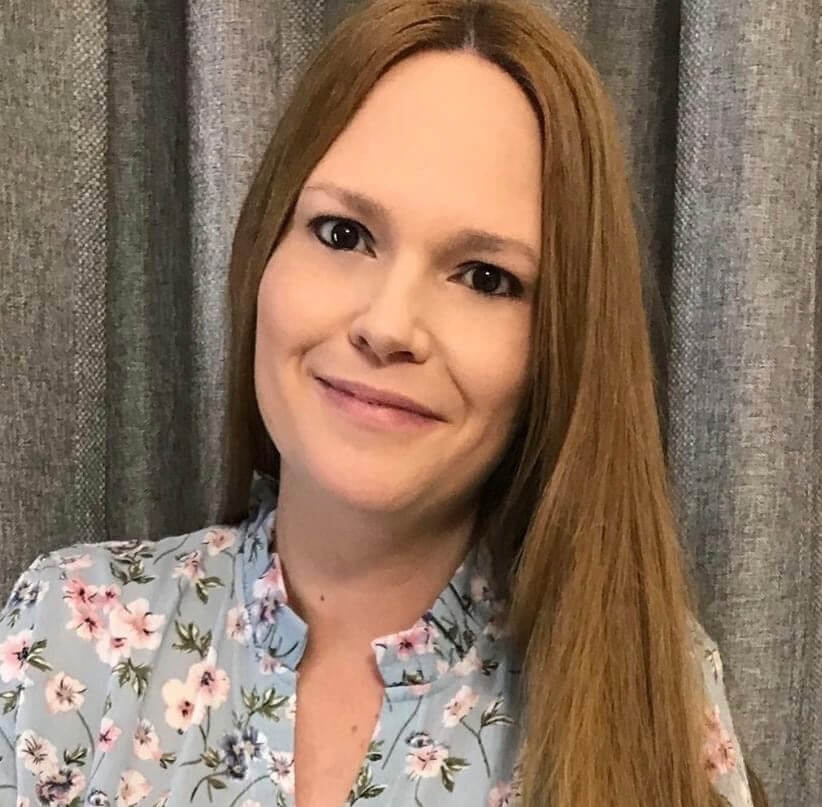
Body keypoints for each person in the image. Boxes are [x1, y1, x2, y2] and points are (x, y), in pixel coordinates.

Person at [0, 0, 767, 805]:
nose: (388, 325)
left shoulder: (655, 698)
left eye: (484, 277)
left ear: (561, 347)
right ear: (264, 251)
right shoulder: (62, 639)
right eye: (342, 234)